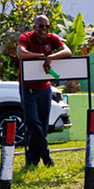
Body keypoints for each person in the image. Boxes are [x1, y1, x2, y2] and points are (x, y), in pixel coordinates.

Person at [17, 15, 72, 167]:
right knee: (33, 123)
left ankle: (32, 160)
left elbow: (67, 51)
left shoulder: (52, 38)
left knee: (42, 124)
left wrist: (51, 57)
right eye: (41, 26)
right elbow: (21, 53)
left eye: (47, 26)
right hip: (28, 88)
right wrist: (40, 56)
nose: (44, 29)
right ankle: (47, 157)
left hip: (45, 89)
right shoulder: (25, 37)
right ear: (34, 27)